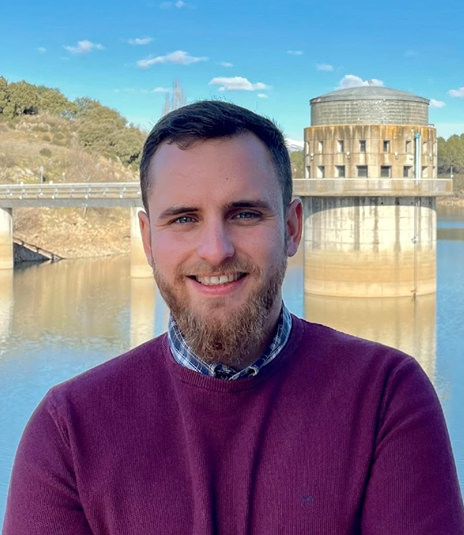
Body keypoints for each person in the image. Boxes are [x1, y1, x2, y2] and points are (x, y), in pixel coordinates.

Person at [3, 101, 464, 535]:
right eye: (184, 219)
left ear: (291, 228)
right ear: (147, 240)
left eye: (244, 214)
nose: (215, 250)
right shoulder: (69, 430)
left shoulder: (387, 396)